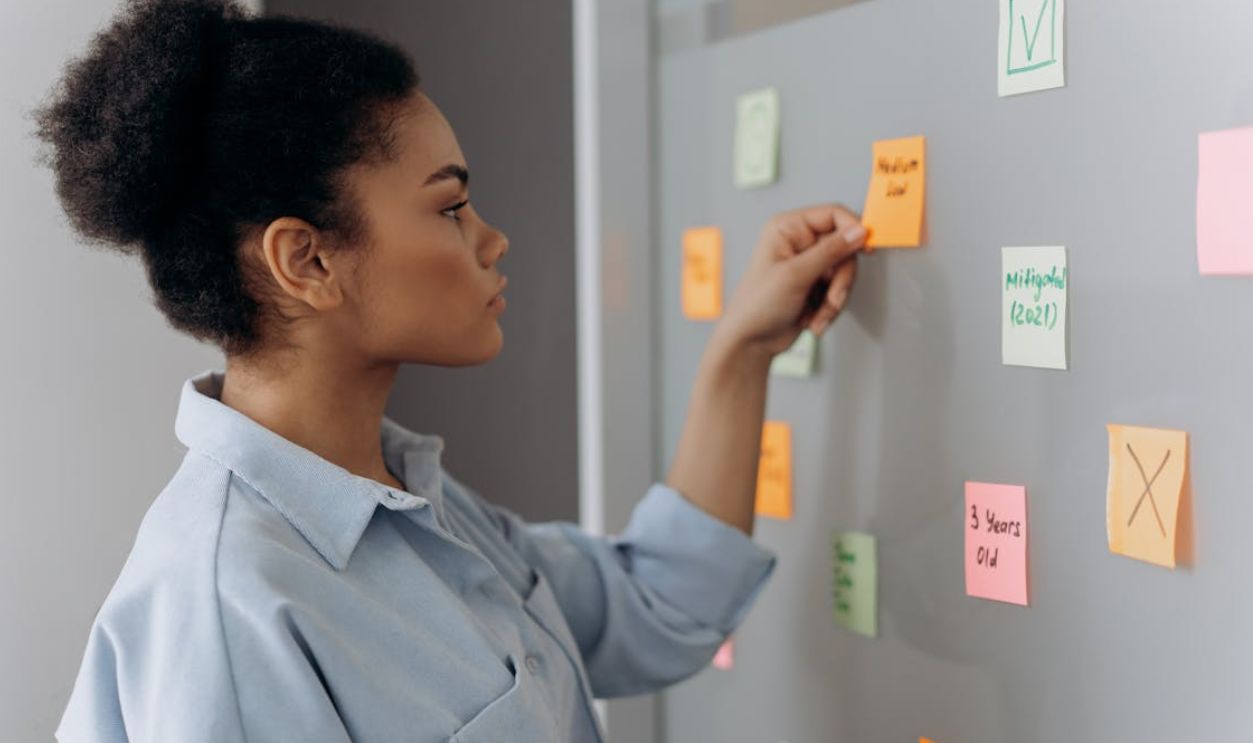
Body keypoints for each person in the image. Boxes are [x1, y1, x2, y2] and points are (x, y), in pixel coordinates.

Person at [36, 1, 867, 740]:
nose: (489, 239)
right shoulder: (224, 608)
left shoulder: (410, 500)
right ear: (307, 260)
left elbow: (653, 607)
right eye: (448, 206)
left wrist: (745, 348)